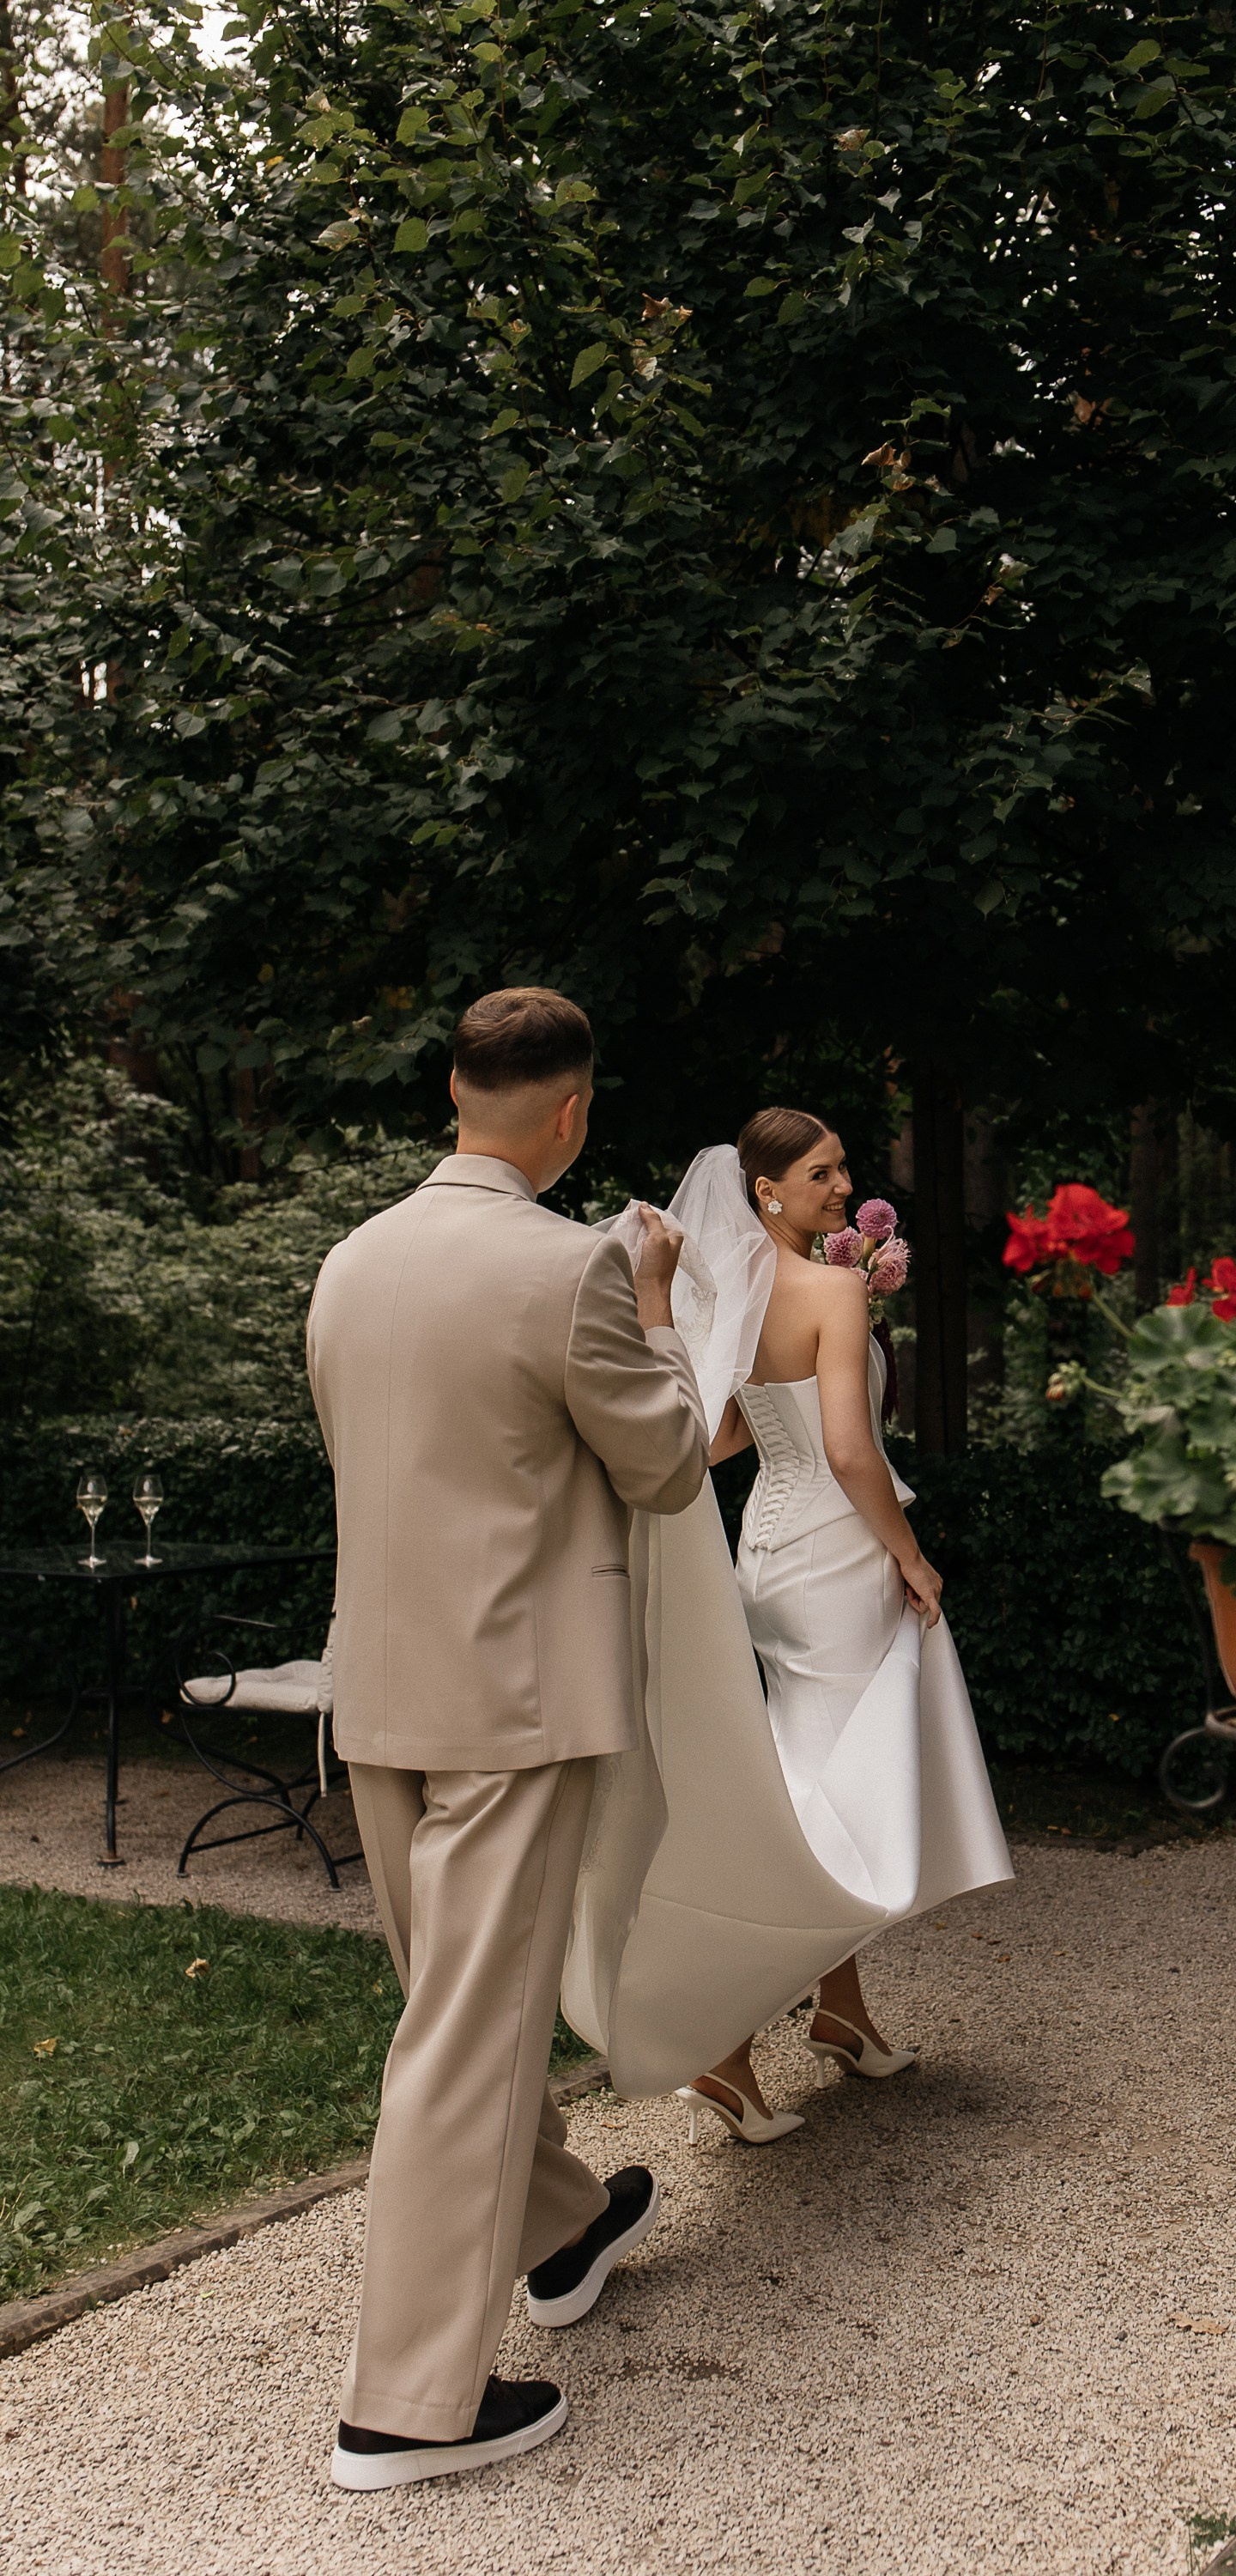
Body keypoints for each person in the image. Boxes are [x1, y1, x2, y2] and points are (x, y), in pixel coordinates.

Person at [306, 987, 708, 2490]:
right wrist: (656, 1303)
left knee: (452, 2010)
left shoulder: (348, 1264)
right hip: (514, 1708)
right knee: (466, 2045)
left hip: (384, 1695)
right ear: (571, 1116)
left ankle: (561, 2230)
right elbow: (665, 1467)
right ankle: (404, 2409)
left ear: (454, 1091)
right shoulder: (573, 1270)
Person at [559, 1113, 1011, 2140]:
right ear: (763, 1190)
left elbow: (716, 1438)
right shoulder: (833, 1290)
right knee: (826, 1807)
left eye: (843, 1166)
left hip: (766, 1551)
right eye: (821, 1171)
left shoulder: (737, 1296)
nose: (844, 1185)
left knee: (816, 1779)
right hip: (837, 1555)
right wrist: (909, 1554)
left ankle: (841, 2013)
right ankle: (721, 2049)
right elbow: (851, 1453)